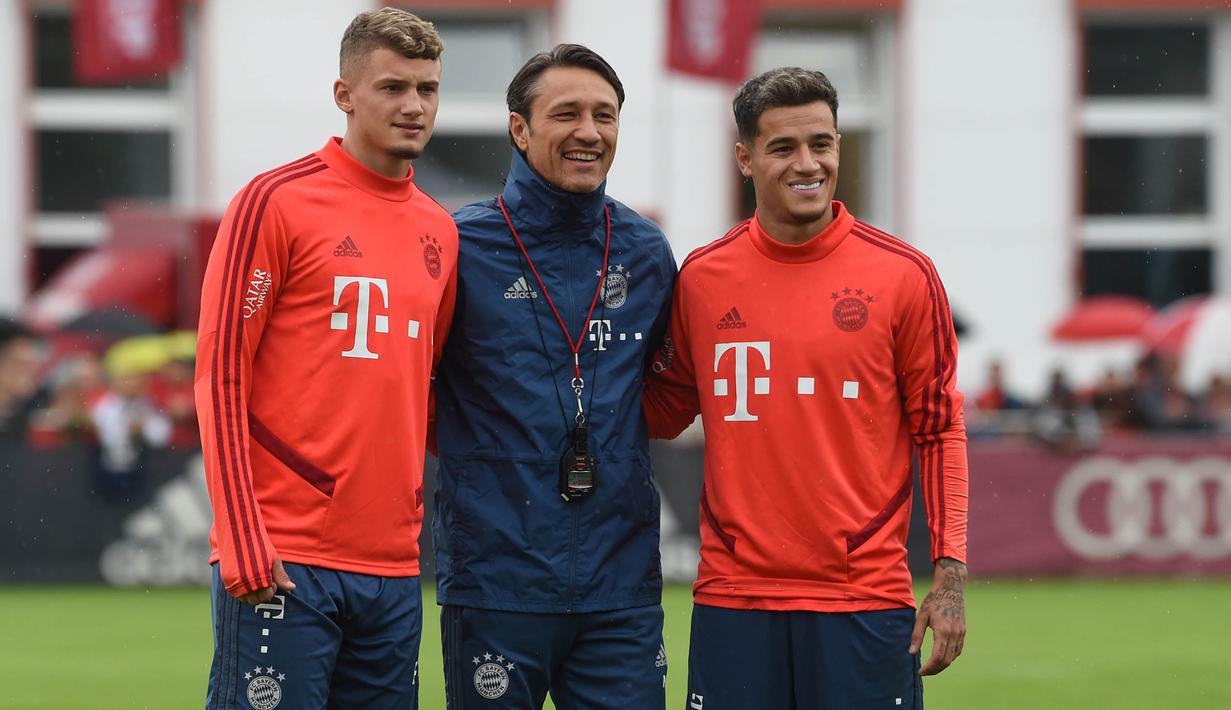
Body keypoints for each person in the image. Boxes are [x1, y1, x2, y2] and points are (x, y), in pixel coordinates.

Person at [643, 67, 969, 709]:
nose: (807, 163)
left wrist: (951, 573)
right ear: (745, 157)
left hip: (865, 600)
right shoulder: (703, 278)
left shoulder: (904, 275)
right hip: (734, 598)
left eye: (821, 143)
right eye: (783, 147)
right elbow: (660, 411)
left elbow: (939, 428)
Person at [194, 8, 456, 708]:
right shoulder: (274, 201)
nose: (413, 106)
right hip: (284, 557)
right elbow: (220, 375)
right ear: (344, 95)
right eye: (393, 87)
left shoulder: (439, 229)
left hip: (395, 566)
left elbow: (426, 389)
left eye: (426, 89)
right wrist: (240, 532)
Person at [432, 44, 676, 709]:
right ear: (520, 128)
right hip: (495, 581)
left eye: (605, 115)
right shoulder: (458, 247)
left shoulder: (646, 252)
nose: (589, 132)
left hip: (619, 585)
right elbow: (412, 396)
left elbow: (666, 391)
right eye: (566, 113)